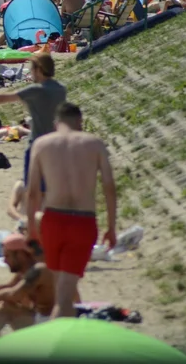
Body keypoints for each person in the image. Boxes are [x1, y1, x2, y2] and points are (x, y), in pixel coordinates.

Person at [27, 102, 116, 319]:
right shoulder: (94, 144)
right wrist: (111, 227)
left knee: (62, 291)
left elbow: (32, 192)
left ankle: (61, 340)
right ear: (80, 122)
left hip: (52, 220)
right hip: (82, 222)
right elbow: (109, 187)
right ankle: (56, 346)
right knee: (65, 295)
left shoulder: (41, 144)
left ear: (56, 123)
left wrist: (31, 228)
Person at [0, 53, 66, 187]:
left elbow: (2, 98)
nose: (31, 73)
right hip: (57, 143)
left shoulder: (36, 90)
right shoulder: (61, 89)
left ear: (39, 70)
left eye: (32, 69)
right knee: (51, 185)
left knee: (33, 187)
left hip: (38, 144)